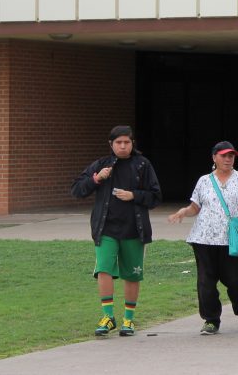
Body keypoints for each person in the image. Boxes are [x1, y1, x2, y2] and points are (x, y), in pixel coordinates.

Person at [71, 125, 162, 337]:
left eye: (126, 142)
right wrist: (96, 179)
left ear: (132, 143)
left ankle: (128, 320)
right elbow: (76, 189)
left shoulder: (142, 165)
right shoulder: (101, 165)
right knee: (103, 270)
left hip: (134, 230)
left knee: (132, 275)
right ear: (111, 144)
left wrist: (134, 195)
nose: (122, 146)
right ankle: (108, 317)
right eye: (118, 143)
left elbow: (156, 196)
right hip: (106, 229)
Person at [168, 141, 238, 335]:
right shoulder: (204, 181)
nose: (228, 159)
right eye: (224, 155)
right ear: (214, 157)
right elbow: (195, 207)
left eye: (231, 156)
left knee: (236, 280)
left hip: (233, 240)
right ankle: (211, 320)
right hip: (204, 239)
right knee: (206, 282)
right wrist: (184, 211)